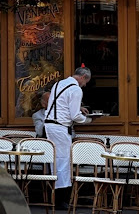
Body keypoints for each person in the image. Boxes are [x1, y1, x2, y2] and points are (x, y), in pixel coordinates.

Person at [44, 67, 92, 209]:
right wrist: (88, 120)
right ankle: (60, 201)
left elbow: (60, 104)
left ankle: (54, 197)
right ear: (83, 77)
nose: (85, 85)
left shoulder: (58, 84)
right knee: (63, 162)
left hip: (50, 125)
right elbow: (75, 116)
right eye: (86, 81)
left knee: (54, 161)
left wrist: (79, 108)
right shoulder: (76, 89)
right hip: (60, 127)